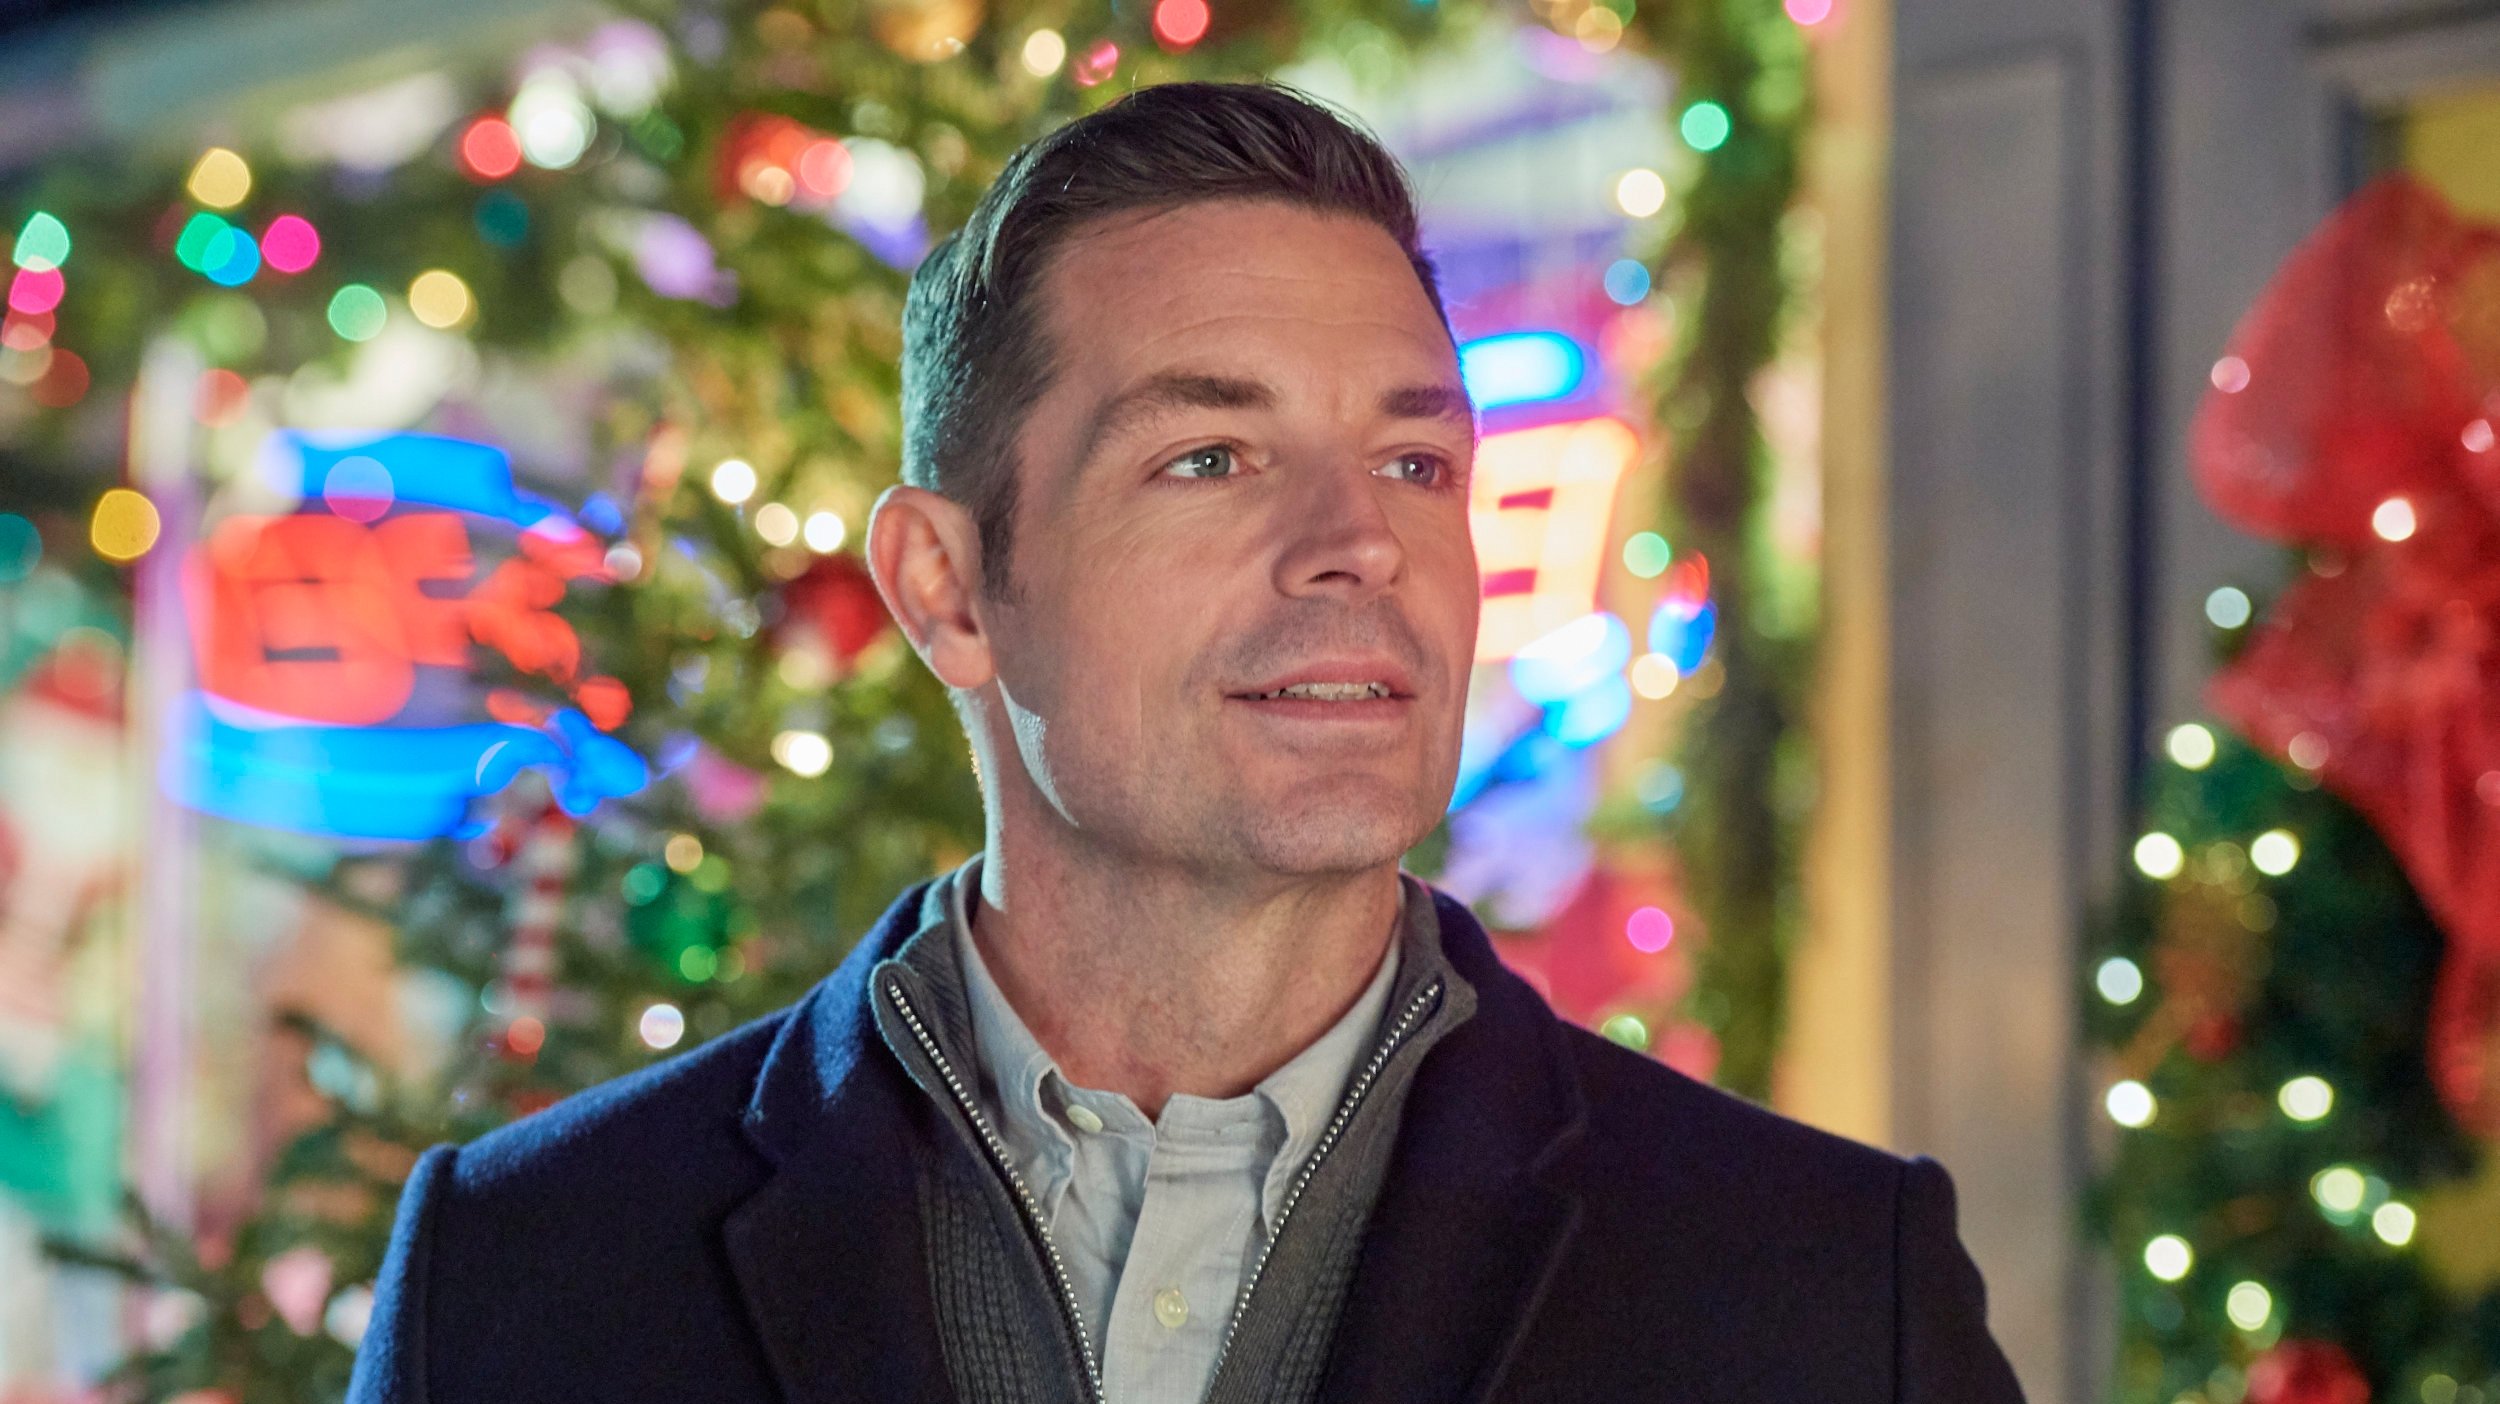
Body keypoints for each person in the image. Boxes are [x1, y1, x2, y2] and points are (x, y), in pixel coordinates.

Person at [346, 80, 2027, 1404]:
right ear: (947, 591)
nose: (1355, 545)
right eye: (1210, 458)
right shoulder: (530, 1276)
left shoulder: (1823, 1289)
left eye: (1415, 464)